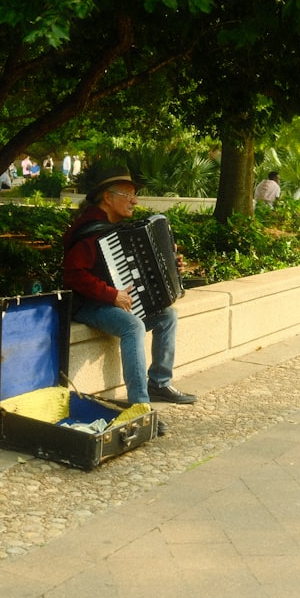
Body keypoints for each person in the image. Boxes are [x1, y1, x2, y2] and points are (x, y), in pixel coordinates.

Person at [62, 168, 196, 437]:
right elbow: (73, 275)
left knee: (167, 316)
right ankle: (139, 406)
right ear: (107, 198)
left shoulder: (118, 228)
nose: (134, 201)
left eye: (134, 196)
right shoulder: (89, 230)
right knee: (133, 326)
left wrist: (171, 266)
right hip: (88, 305)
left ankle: (159, 382)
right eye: (128, 195)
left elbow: (143, 269)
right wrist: (111, 294)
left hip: (111, 301)